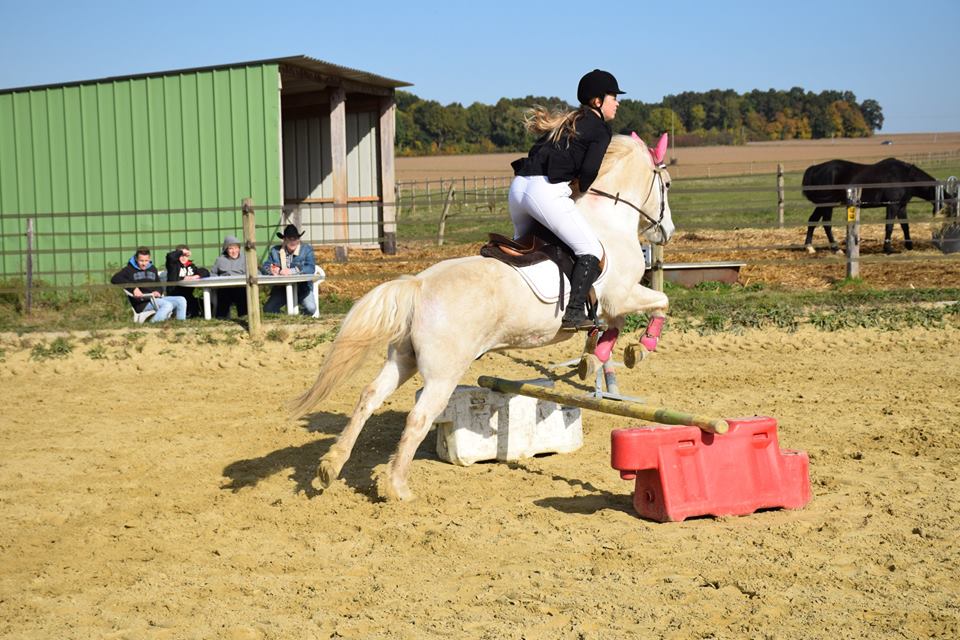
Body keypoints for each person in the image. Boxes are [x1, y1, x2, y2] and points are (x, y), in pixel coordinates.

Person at [509, 69, 624, 330]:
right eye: (613, 97)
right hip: (544, 191)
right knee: (591, 249)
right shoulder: (601, 129)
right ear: (597, 101)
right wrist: (579, 189)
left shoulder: (569, 120)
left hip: (518, 188)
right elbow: (589, 171)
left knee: (524, 252)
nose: (617, 102)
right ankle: (573, 314)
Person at [112, 246, 188, 322]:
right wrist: (133, 288)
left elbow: (159, 285)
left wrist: (158, 291)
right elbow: (115, 279)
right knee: (167, 305)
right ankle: (152, 326)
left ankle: (180, 324)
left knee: (181, 300)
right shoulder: (129, 269)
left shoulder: (152, 268)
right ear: (136, 259)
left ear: (149, 259)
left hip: (156, 299)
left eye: (146, 260)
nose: (144, 264)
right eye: (141, 261)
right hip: (142, 302)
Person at [261, 224, 318, 315]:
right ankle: (286, 317)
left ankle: (299, 317)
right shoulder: (275, 251)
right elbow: (265, 266)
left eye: (295, 239)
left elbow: (310, 268)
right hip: (281, 288)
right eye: (289, 239)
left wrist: (291, 271)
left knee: (311, 308)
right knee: (268, 309)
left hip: (302, 287)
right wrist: (272, 271)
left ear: (298, 239)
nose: (293, 242)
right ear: (284, 240)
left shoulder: (307, 249)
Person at [165, 244, 210, 318]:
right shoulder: (173, 265)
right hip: (175, 295)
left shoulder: (190, 266)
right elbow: (170, 256)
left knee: (203, 302)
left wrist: (196, 276)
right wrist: (182, 251)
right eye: (181, 255)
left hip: (189, 295)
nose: (183, 258)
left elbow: (205, 272)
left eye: (186, 256)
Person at [208, 235, 248, 319]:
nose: (234, 251)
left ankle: (244, 316)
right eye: (231, 248)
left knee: (242, 293)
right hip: (225, 286)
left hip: (240, 286)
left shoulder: (245, 259)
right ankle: (221, 317)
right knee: (223, 293)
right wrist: (217, 282)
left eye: (236, 248)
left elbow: (255, 272)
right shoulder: (220, 260)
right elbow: (213, 273)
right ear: (226, 249)